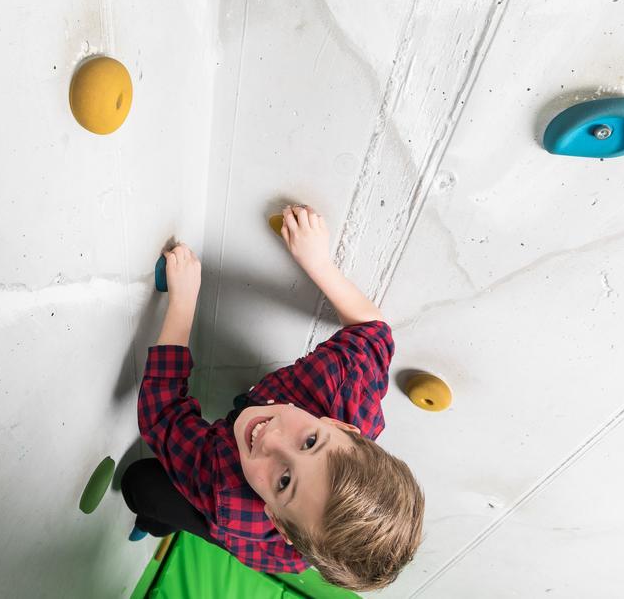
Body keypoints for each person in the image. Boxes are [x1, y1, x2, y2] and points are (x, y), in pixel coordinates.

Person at [121, 204, 424, 591]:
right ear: (343, 426)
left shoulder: (225, 490)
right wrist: (317, 263)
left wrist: (183, 300)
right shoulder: (345, 389)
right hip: (286, 518)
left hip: (239, 530)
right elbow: (373, 329)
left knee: (140, 486)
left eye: (283, 481)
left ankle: (155, 522)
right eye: (310, 441)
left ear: (278, 521)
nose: (270, 439)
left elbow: (161, 414)